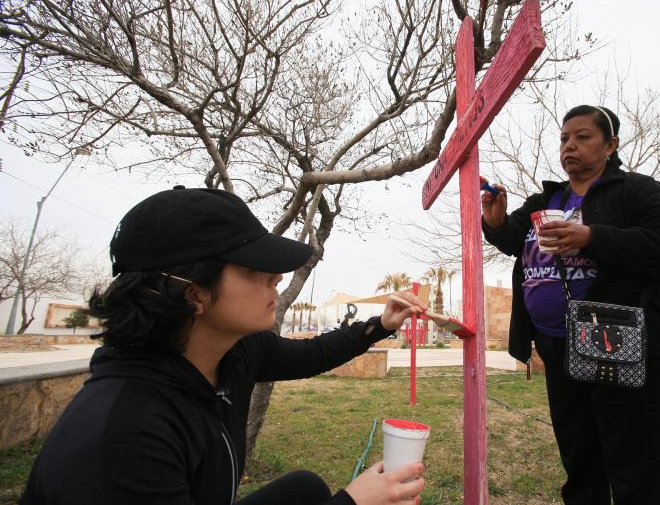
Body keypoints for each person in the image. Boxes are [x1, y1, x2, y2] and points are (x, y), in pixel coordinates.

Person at [21, 186, 427, 505]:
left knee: (303, 489)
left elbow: (311, 354)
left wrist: (381, 325)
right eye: (254, 268)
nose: (277, 279)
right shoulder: (127, 434)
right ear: (193, 294)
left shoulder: (235, 352)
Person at [481, 105, 660, 505]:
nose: (570, 146)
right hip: (558, 346)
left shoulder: (636, 191)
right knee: (581, 460)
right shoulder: (547, 198)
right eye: (565, 138)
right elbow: (517, 241)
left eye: (583, 137)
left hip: (619, 338)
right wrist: (496, 224)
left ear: (610, 145)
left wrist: (592, 238)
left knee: (636, 464)